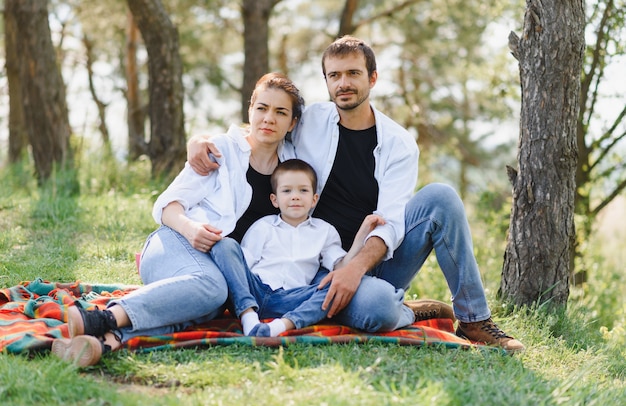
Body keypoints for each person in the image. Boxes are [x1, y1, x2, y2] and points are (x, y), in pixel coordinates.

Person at [52, 72, 449, 367]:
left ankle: (105, 341)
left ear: (293, 123)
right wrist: (192, 230)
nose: (268, 119)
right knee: (209, 288)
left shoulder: (296, 171)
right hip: (177, 245)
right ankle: (98, 317)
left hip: (232, 276)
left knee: (211, 306)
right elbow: (167, 206)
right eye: (261, 108)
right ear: (250, 111)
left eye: (280, 113)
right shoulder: (220, 151)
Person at [187, 36, 525, 352]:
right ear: (327, 82)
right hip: (318, 261)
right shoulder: (311, 121)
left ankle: (473, 319)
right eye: (334, 75)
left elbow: (391, 222)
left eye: (353, 73)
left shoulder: (398, 142)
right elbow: (265, 124)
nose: (343, 83)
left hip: (378, 258)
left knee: (442, 198)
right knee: (376, 310)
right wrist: (203, 140)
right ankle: (405, 310)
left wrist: (354, 270)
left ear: (372, 78)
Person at [211, 158, 386, 337]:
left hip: (294, 298)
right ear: (275, 199)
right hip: (254, 291)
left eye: (303, 190)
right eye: (287, 191)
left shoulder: (325, 231)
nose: (295, 196)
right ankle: (248, 317)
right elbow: (243, 266)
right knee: (225, 244)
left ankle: (281, 326)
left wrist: (361, 236)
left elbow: (341, 267)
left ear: (314, 199)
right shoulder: (262, 227)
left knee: (334, 283)